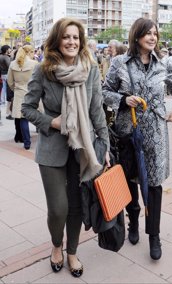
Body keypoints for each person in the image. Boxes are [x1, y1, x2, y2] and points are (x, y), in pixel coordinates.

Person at [21, 18, 110, 277]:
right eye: (66, 37)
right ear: (57, 40)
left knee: (77, 206)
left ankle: (71, 252)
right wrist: (52, 122)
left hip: (83, 147)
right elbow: (26, 107)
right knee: (58, 208)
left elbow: (96, 110)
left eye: (76, 37)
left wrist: (103, 145)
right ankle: (56, 245)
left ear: (81, 41)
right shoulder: (44, 69)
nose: (72, 42)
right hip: (52, 149)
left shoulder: (90, 69)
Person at [102, 17, 172, 260]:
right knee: (130, 181)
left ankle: (154, 235)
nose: (152, 37)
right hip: (128, 133)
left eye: (155, 34)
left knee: (155, 185)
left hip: (157, 135)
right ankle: (133, 221)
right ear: (137, 36)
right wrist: (122, 100)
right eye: (148, 33)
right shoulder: (120, 63)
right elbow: (104, 91)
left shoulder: (164, 65)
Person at [7, 45, 38, 149]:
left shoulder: (13, 64)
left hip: (19, 94)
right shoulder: (34, 64)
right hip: (33, 93)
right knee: (39, 117)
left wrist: (15, 89)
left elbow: (10, 81)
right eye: (33, 52)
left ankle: (27, 143)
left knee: (23, 119)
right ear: (29, 52)